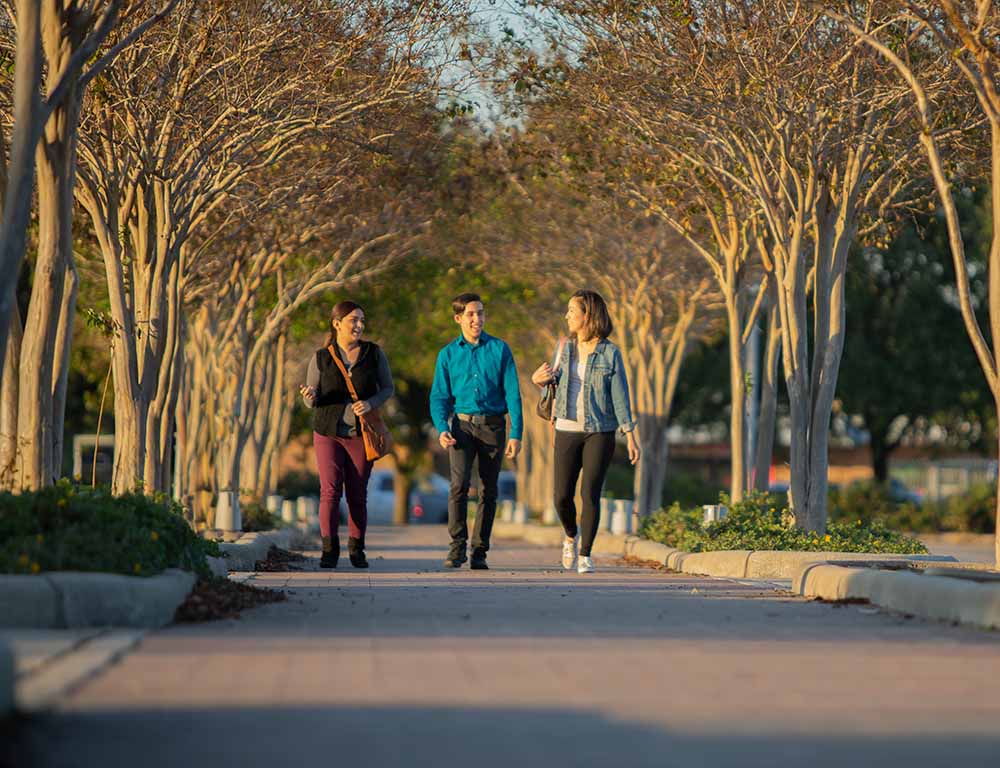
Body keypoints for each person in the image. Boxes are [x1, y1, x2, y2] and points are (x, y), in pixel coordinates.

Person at [531, 289, 640, 574]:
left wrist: (630, 435)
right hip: (566, 427)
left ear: (587, 315)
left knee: (590, 492)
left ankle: (586, 554)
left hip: (600, 430)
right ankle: (570, 535)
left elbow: (620, 396)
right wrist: (537, 380)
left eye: (572, 310)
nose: (566, 315)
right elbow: (551, 383)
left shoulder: (610, 353)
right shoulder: (563, 348)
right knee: (561, 496)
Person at [430, 292, 523, 570]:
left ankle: (479, 551)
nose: (476, 319)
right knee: (458, 486)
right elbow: (439, 397)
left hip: (493, 426)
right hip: (461, 427)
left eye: (480, 313)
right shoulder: (447, 354)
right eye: (470, 314)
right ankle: (457, 547)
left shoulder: (500, 349)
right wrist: (441, 427)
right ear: (458, 318)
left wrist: (516, 432)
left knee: (489, 490)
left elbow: (513, 393)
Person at [300, 300, 394, 569]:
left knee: (357, 493)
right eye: (353, 320)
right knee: (329, 491)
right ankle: (329, 550)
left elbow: (388, 389)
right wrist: (309, 396)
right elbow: (312, 399)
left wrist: (371, 403)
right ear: (337, 323)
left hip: (360, 435)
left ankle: (357, 549)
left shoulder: (374, 354)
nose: (359, 325)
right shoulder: (321, 357)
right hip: (327, 432)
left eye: (362, 320)